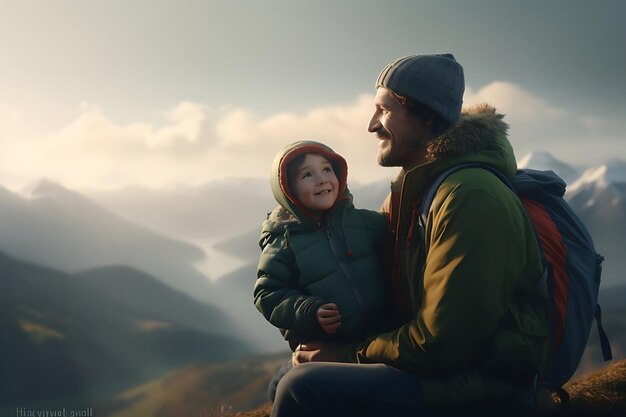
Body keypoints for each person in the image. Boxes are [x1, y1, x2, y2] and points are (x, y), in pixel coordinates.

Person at [270, 54, 550, 416]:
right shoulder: (413, 190)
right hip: (444, 367)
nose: (371, 125)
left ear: (427, 115)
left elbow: (445, 344)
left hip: (486, 383)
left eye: (384, 110)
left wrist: (346, 355)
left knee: (301, 388)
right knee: (284, 377)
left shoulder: (469, 197)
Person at [254, 140, 388, 400]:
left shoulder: (366, 223)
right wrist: (309, 310)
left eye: (327, 170)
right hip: (327, 347)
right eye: (307, 175)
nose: (322, 180)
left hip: (380, 339)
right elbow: (267, 294)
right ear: (287, 190)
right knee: (282, 388)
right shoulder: (284, 240)